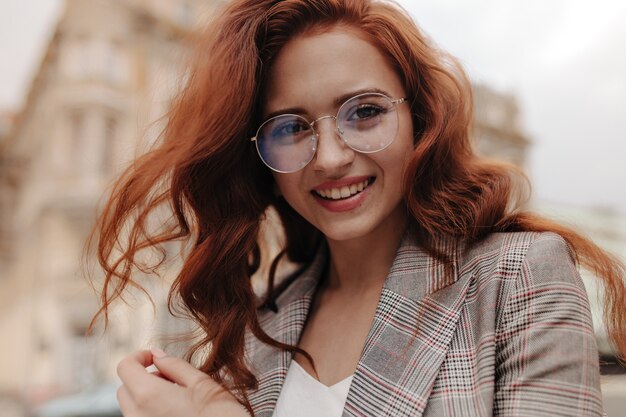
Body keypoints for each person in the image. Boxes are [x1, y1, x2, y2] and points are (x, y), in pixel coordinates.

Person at [91, 0, 626, 416]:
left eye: (364, 112)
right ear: (261, 162)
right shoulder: (258, 324)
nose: (329, 157)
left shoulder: (519, 278)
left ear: (421, 120)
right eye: (290, 127)